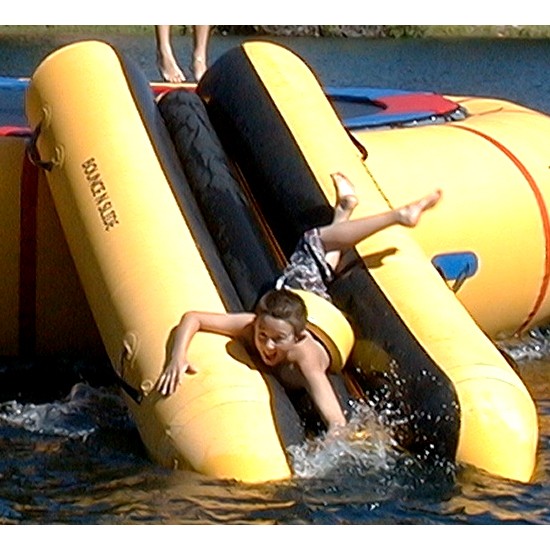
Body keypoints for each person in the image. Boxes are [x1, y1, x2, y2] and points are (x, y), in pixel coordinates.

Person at [155, 172, 442, 434]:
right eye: (262, 335)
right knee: (317, 253)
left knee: (314, 242)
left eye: (278, 340)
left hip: (313, 306)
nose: (266, 346)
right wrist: (177, 356)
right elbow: (193, 317)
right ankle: (345, 212)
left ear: (297, 337)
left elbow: (336, 420)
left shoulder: (305, 358)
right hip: (306, 303)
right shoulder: (251, 326)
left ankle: (394, 215)